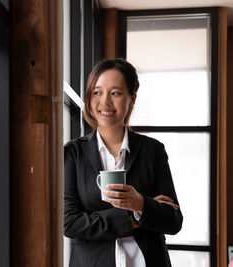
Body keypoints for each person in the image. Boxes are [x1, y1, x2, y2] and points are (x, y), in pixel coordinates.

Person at [64, 58, 183, 267]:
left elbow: (173, 220)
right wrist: (131, 218)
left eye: (115, 93)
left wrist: (140, 203)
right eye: (97, 92)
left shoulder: (152, 150)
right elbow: (69, 222)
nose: (105, 102)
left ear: (132, 98)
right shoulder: (73, 153)